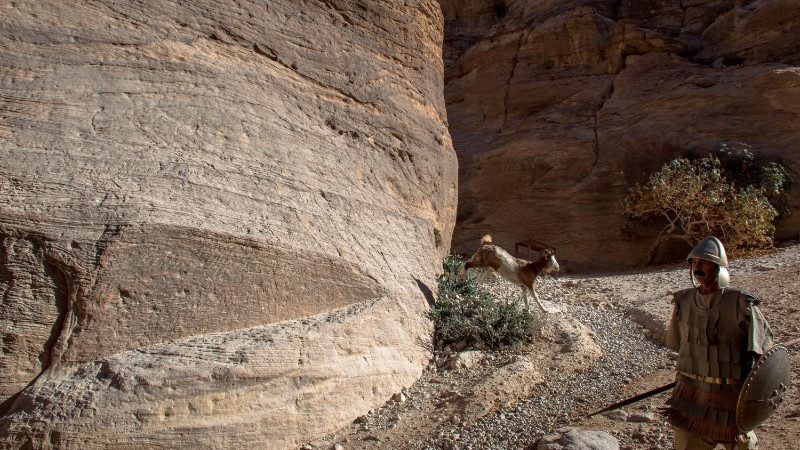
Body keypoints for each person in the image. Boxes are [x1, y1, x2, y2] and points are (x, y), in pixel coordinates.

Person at [664, 236, 774, 450]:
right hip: (690, 396)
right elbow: (679, 345)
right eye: (694, 262)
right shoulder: (682, 302)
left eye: (704, 262)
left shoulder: (741, 304)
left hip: (730, 397)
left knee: (743, 444)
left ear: (719, 268)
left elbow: (764, 356)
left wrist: (756, 394)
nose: (698, 266)